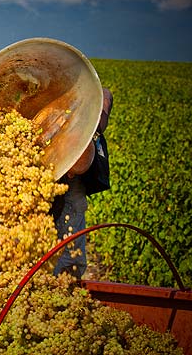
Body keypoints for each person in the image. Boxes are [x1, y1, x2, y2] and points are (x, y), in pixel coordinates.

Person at [52, 87, 113, 279]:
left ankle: (65, 285)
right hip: (29, 181)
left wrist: (94, 123)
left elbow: (104, 94)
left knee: (70, 256)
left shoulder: (74, 91)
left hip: (69, 185)